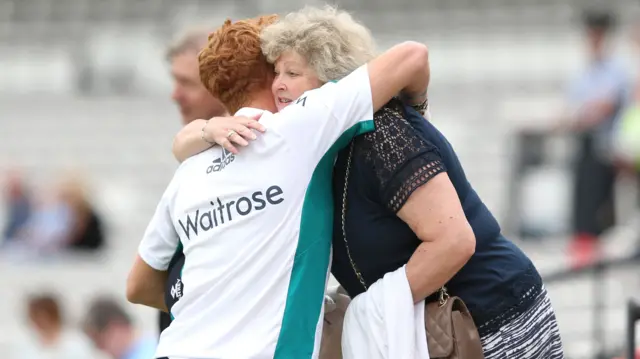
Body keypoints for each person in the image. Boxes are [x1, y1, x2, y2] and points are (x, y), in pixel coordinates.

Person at [172, 6, 564, 358]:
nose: (279, 85)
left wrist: (369, 310)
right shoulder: (316, 145)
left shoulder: (382, 135)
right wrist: (207, 128)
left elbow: (454, 242)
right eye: (276, 73)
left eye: (293, 73)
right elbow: (181, 145)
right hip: (435, 329)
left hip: (489, 319)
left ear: (332, 78)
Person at [126, 10, 431, 359]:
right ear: (272, 70)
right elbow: (411, 56)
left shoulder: (189, 168)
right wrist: (417, 114)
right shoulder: (299, 126)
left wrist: (222, 301)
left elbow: (137, 287)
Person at [159, 25, 235, 335]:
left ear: (222, 83)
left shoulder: (255, 159)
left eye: (185, 83)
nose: (174, 95)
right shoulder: (195, 157)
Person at [561, 9, 631, 267]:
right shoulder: (584, 70)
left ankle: (597, 247)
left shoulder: (617, 69)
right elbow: (575, 110)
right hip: (586, 143)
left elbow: (606, 106)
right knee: (582, 196)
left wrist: (585, 113)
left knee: (601, 203)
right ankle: (583, 246)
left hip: (608, 147)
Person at [9, 294, 95, 359]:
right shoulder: (26, 344)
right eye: (32, 316)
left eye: (37, 316)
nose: (34, 321)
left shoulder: (76, 342)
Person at [82, 297, 157, 359]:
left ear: (116, 326)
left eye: (100, 341)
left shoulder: (155, 351)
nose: (101, 349)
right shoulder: (156, 340)